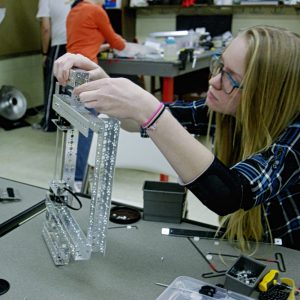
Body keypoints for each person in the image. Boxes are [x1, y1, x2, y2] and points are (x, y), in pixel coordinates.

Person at [53, 26, 300, 251]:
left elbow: (229, 194)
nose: (213, 81)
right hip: (251, 247)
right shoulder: (225, 108)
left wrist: (148, 109)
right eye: (220, 66)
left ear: (264, 95)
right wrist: (103, 83)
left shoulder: (295, 138)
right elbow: (135, 121)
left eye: (230, 78)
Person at [66, 0, 126, 184]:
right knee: (87, 129)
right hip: (87, 74)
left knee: (77, 127)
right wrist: (122, 43)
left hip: (70, 72)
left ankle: (75, 176)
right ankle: (78, 179)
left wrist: (101, 45)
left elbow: (82, 42)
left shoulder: (74, 10)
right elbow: (117, 43)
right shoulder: (96, 10)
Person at [36, 0, 71, 132]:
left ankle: (48, 124)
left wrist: (45, 53)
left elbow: (45, 28)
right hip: (77, 43)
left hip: (60, 44)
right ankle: (67, 123)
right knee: (70, 85)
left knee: (53, 85)